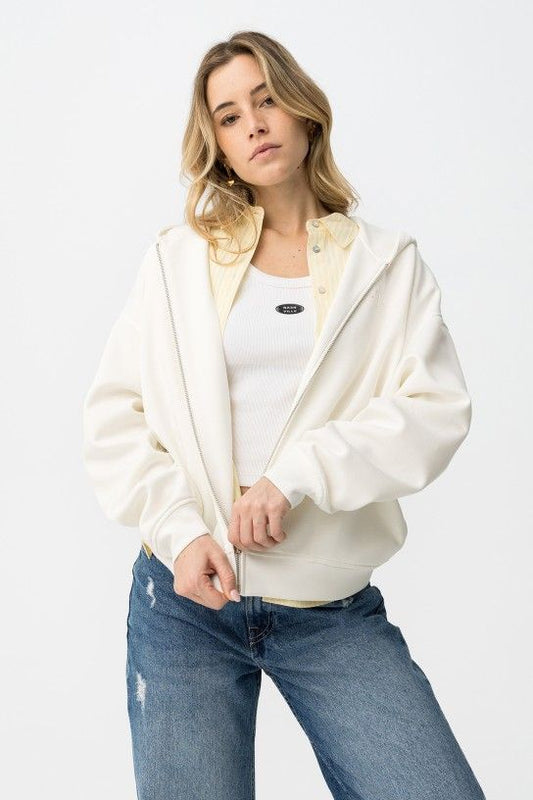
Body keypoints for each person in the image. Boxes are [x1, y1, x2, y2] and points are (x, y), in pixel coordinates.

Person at [82, 29, 486, 800]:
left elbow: (433, 410)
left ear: (303, 112)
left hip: (328, 607)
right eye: (229, 116)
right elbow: (115, 415)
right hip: (183, 604)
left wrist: (297, 475)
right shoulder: (176, 261)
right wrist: (180, 530)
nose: (254, 125)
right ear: (217, 145)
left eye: (266, 101)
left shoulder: (385, 265)